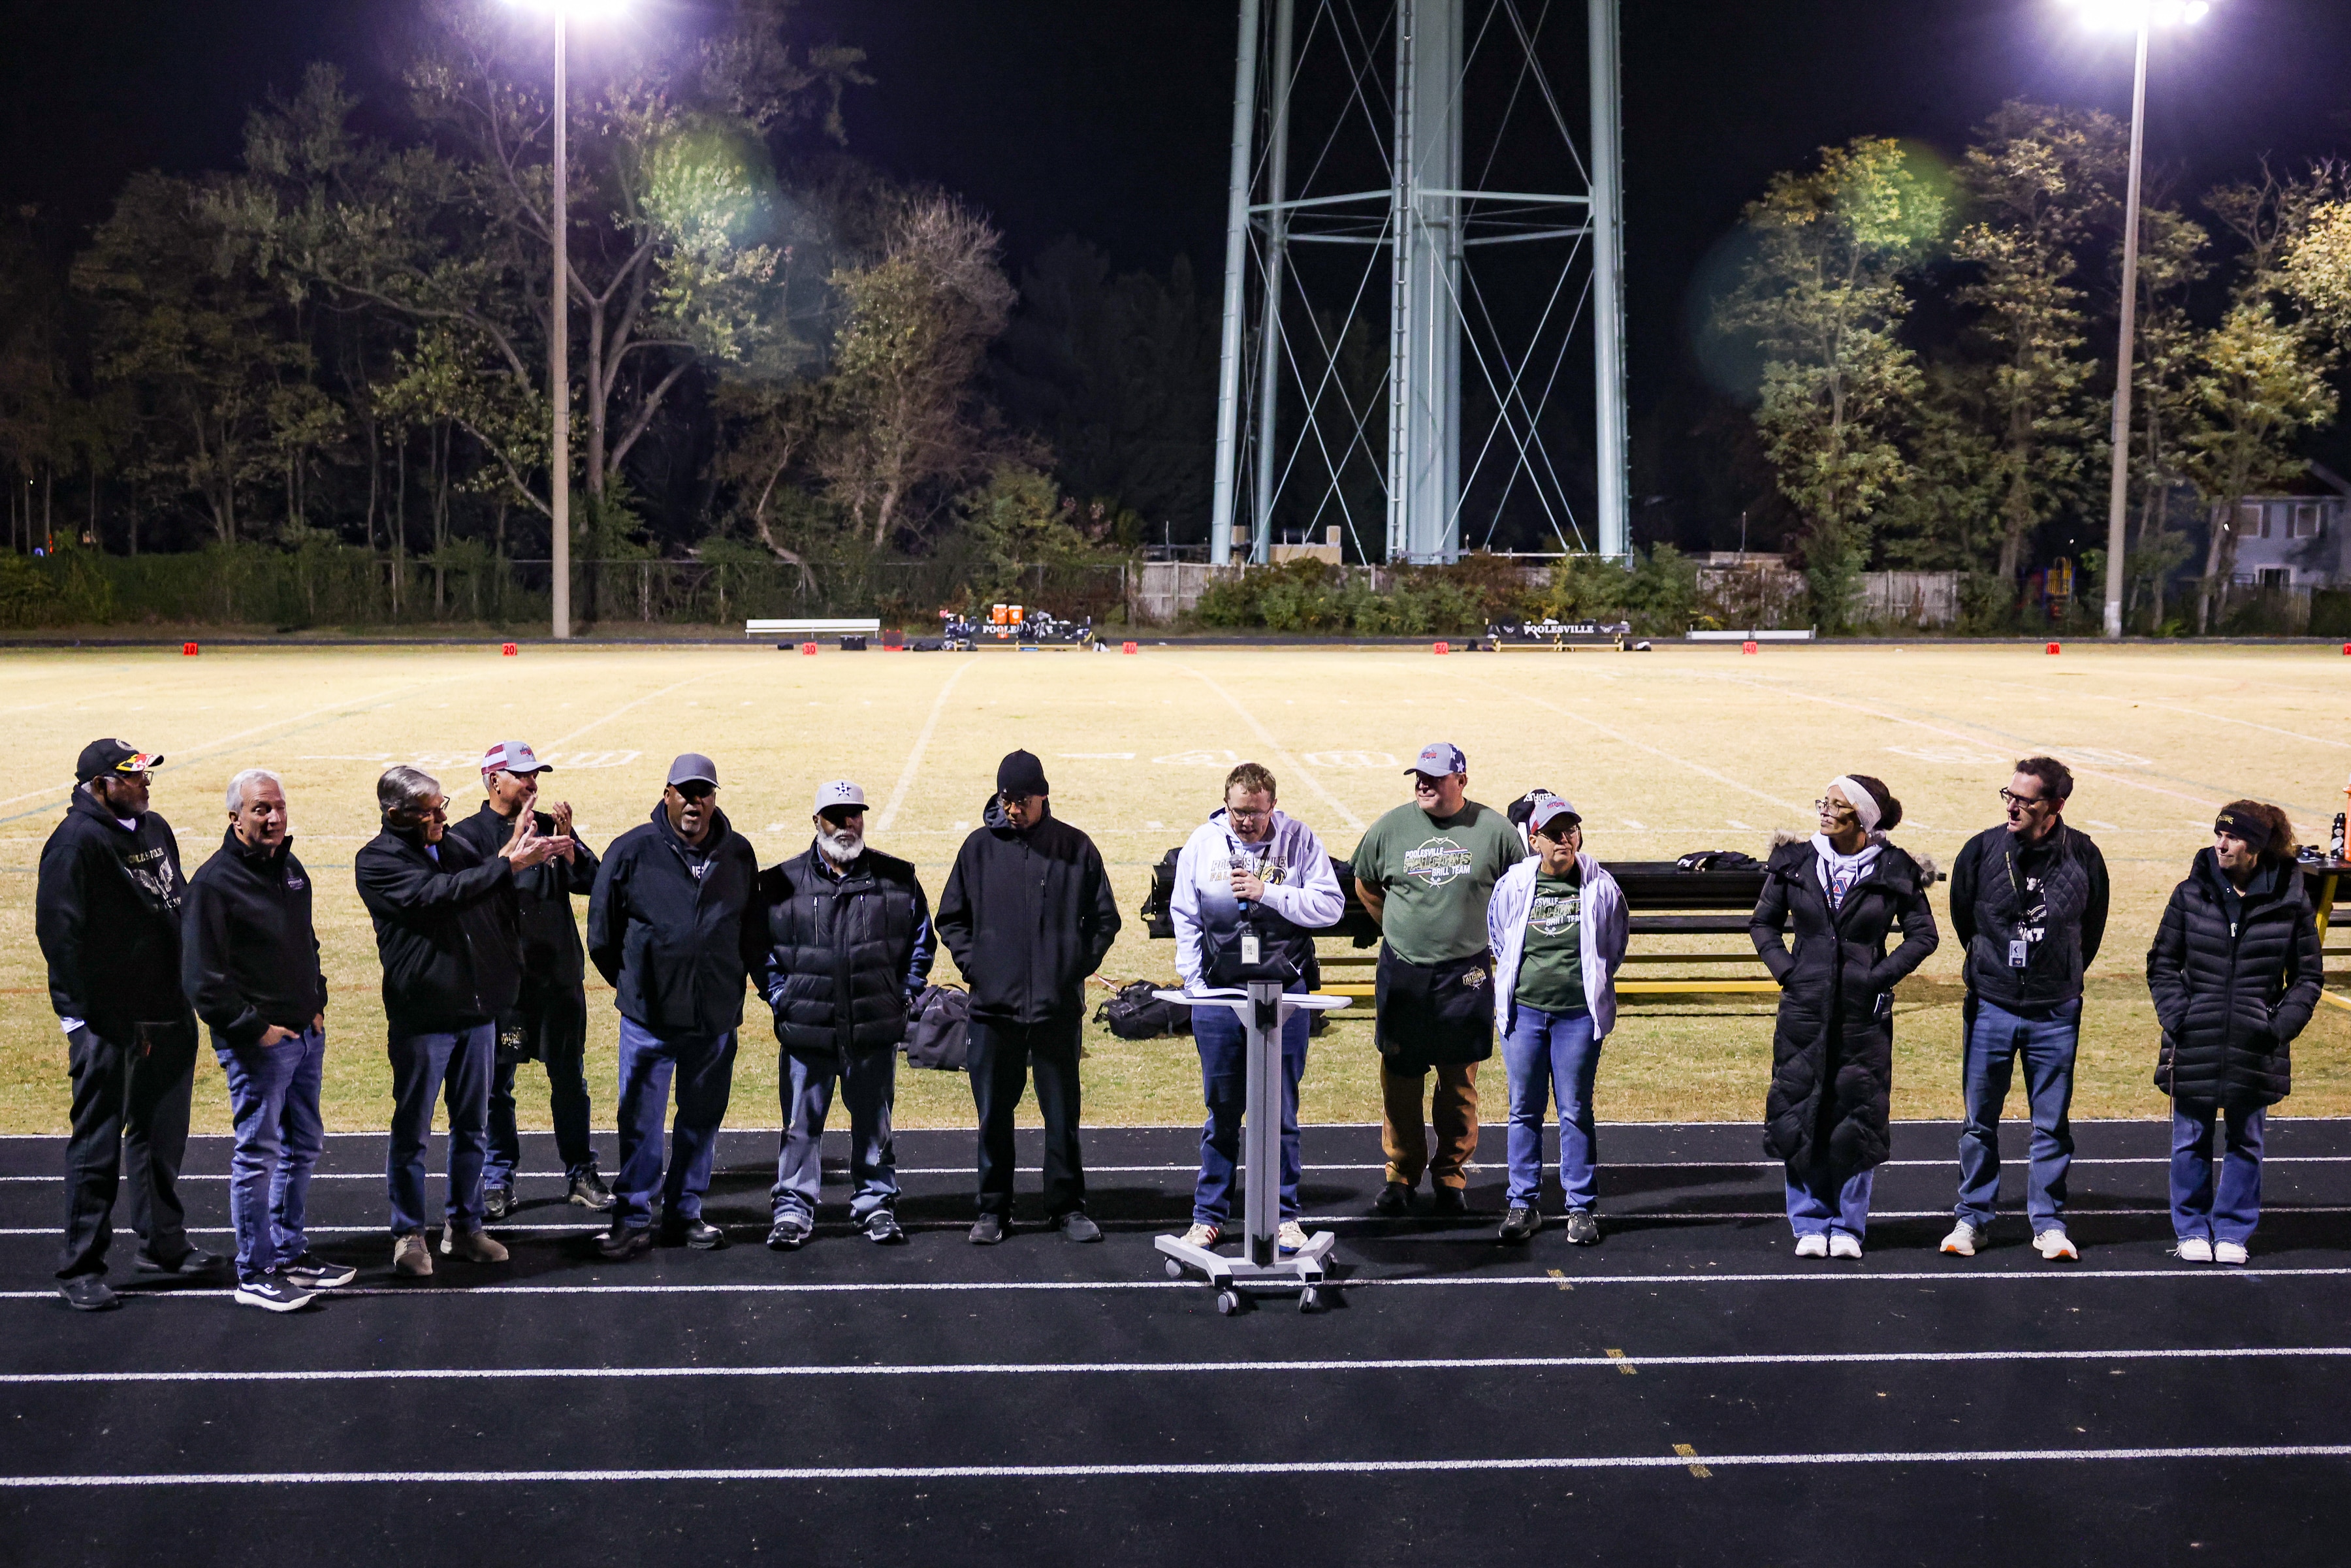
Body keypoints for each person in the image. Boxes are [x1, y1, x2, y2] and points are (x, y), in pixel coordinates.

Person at [357, 764, 563, 1278]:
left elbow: (480, 886)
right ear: (395, 814)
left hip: (476, 1010)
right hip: (423, 1014)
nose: (441, 817)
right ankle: (408, 1232)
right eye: (429, 811)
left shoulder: (452, 846)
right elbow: (437, 896)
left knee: (473, 1125)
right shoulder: (377, 861)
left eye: (442, 805)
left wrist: (511, 851)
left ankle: (465, 1226)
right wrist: (506, 864)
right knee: (414, 1129)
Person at [38, 739, 214, 1311]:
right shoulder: (75, 843)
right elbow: (60, 936)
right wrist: (82, 1020)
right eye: (131, 777)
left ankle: (163, 1244)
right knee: (97, 1145)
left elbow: (176, 902)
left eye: (145, 775)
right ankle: (81, 1265)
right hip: (109, 1021)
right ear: (98, 785)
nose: (145, 784)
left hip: (167, 1008)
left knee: (161, 1136)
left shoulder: (153, 825)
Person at [936, 748, 1122, 1245]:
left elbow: (1106, 918)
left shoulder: (1076, 847)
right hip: (993, 1011)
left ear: (1044, 795)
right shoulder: (977, 849)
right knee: (993, 1114)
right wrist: (979, 968)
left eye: (1022, 799)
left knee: (1062, 1115)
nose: (1013, 808)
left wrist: (1072, 968)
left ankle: (1067, 1207)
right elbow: (951, 918)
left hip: (1056, 1010)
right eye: (1006, 798)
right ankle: (993, 1209)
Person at [182, 769, 350, 1313]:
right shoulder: (212, 883)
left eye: (277, 806)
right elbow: (202, 980)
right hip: (261, 1044)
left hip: (305, 1033)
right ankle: (254, 1271)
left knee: (302, 1146)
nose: (274, 817)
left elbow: (306, 940)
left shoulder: (291, 867)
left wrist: (317, 1001)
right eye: (260, 809)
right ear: (234, 817)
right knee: (259, 1154)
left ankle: (290, 1252)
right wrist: (258, 1028)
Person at [1751, 775, 1939, 1258]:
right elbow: (1763, 923)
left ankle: (1849, 1225)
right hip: (1804, 1011)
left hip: (1863, 1016)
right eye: (1824, 803)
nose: (1825, 812)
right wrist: (1789, 973)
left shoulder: (1894, 868)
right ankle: (1810, 1221)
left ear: (1863, 819)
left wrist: (1877, 976)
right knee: (1802, 1108)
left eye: (1837, 806)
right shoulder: (1796, 862)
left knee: (1856, 1114)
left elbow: (1923, 935)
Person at [586, 754, 763, 1260]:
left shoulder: (738, 853)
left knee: (700, 1121)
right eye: (685, 791)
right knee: (639, 1123)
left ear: (715, 797)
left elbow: (750, 931)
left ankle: (685, 1212)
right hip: (649, 1021)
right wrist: (639, 988)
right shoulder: (631, 851)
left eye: (704, 791)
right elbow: (603, 936)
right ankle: (632, 1218)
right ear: (666, 794)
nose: (694, 802)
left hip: (712, 1020)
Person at [1168, 762, 1345, 1253]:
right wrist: (1194, 980)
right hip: (1222, 998)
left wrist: (1270, 892)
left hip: (1284, 998)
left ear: (1273, 804)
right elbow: (1185, 913)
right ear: (1226, 805)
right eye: (1237, 812)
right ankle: (1209, 1216)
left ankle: (1284, 1216)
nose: (1246, 822)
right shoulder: (1203, 843)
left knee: (1282, 1110)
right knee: (1222, 1110)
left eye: (1255, 812)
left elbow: (1330, 906)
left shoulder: (1299, 840)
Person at [1942, 756, 2111, 1262]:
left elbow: (2093, 926)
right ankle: (1972, 1218)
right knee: (1979, 1121)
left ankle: (2050, 1224)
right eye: (2008, 795)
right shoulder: (1981, 850)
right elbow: (1962, 915)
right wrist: (1992, 968)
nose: (2012, 805)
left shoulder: (2084, 855)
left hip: (2055, 1010)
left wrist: (2061, 971)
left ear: (2055, 806)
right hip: (1991, 1003)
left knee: (2052, 1123)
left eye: (2025, 798)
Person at [757, 780, 935, 1251]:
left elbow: (922, 939)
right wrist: (780, 996)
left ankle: (876, 1203)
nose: (846, 824)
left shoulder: (897, 878)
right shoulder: (780, 882)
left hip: (872, 1027)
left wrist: (904, 995)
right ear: (817, 821)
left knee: (875, 1124)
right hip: (807, 1029)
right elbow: (758, 946)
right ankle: (793, 1207)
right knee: (799, 1126)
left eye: (854, 813)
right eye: (836, 815)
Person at [1349, 743, 1525, 1216]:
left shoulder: (1496, 831)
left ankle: (1450, 1175)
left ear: (1461, 780)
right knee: (1401, 1079)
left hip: (1465, 973)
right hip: (1404, 972)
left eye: (1434, 776)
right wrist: (1393, 924)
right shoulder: (1391, 826)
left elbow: (1520, 889)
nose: (1423, 783)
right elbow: (1364, 879)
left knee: (1458, 1083)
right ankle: (1401, 1174)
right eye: (1418, 776)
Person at [2147, 801, 2321, 1266]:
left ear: (2257, 847)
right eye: (2218, 834)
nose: (2220, 843)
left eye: (2232, 837)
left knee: (2246, 1140)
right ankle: (2191, 1229)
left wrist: (2278, 1027)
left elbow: (2307, 976)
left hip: (2255, 1041)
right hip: (2195, 1037)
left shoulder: (2290, 901)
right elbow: (2162, 962)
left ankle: (2232, 1231)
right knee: (2190, 1137)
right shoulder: (2190, 893)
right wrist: (2179, 1017)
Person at [447, 741, 611, 1219]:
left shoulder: (547, 827)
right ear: (495, 779)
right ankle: (498, 1177)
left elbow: (594, 882)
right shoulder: (466, 835)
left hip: (557, 979)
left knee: (570, 1079)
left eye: (536, 774)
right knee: (497, 1084)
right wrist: (513, 853)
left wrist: (572, 845)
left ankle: (580, 1172)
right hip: (502, 987)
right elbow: (464, 893)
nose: (533, 782)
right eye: (523, 775)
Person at [1485, 796, 1629, 1245]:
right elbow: (1498, 935)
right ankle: (1523, 1203)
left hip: (1576, 1018)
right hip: (1525, 1013)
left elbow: (1614, 943)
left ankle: (1581, 1207)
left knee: (1574, 1110)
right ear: (1535, 841)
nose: (1565, 838)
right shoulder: (1514, 883)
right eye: (1554, 832)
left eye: (1571, 830)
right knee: (1523, 1109)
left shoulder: (1601, 886)